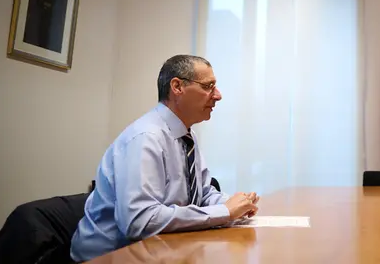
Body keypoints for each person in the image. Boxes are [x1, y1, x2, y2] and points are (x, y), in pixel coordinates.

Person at [70, 55, 260, 262]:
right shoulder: (145, 138)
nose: (218, 95)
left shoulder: (186, 135)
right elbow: (139, 221)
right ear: (177, 87)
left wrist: (236, 205)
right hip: (110, 257)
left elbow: (202, 193)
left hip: (159, 249)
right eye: (208, 86)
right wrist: (224, 212)